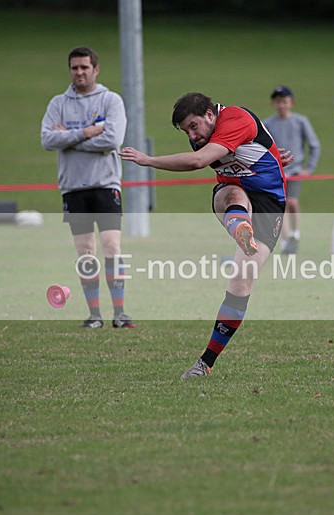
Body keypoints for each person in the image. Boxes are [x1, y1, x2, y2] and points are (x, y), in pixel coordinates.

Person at [119, 92, 286, 379]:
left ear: (210, 114)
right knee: (230, 194)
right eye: (186, 131)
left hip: (270, 204)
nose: (192, 135)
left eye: (193, 126)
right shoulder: (203, 133)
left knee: (241, 284)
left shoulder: (234, 118)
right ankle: (241, 229)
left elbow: (198, 162)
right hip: (235, 194)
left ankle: (207, 360)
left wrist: (148, 160)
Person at [41, 46, 136, 328]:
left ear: (95, 69)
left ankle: (119, 313)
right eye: (74, 68)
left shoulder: (111, 100)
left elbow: (111, 140)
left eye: (84, 67)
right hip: (73, 187)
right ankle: (95, 315)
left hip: (106, 185)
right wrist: (85, 132)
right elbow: (47, 140)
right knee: (85, 252)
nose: (79, 72)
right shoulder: (58, 103)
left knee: (112, 247)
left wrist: (68, 139)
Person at [262, 85, 321, 255]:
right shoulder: (267, 124)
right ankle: (286, 241)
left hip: (295, 170)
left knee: (292, 202)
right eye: (278, 102)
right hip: (276, 172)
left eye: (285, 101)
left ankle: (295, 233)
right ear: (273, 103)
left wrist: (309, 168)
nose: (281, 105)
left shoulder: (300, 121)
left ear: (291, 103)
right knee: (281, 205)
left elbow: (314, 145)